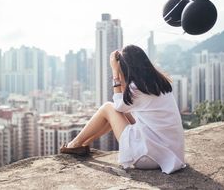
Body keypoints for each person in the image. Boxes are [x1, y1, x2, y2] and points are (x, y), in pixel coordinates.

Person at [60, 45, 186, 174]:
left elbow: (118, 105)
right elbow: (123, 108)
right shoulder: (159, 82)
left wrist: (115, 73)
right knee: (118, 111)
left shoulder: (137, 88)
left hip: (148, 158)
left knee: (108, 107)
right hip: (171, 152)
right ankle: (84, 144)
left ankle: (75, 144)